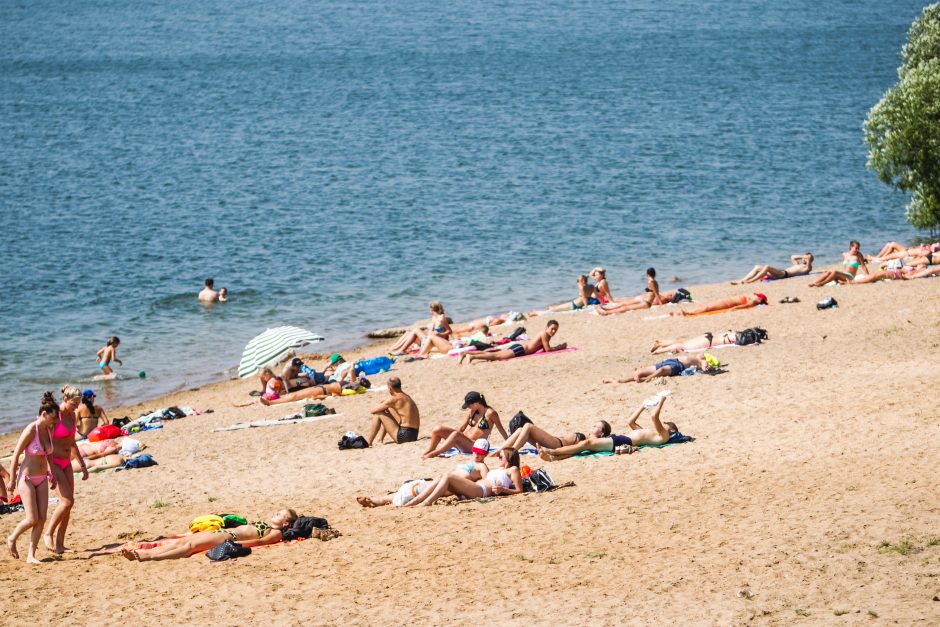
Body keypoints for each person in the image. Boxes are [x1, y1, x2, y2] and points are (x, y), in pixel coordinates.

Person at [120, 509, 298, 561]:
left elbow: (261, 541)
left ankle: (148, 556)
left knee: (189, 547)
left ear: (286, 523)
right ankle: (146, 554)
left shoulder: (275, 532)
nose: (276, 512)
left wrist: (238, 545)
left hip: (229, 538)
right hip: (223, 532)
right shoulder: (266, 523)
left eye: (281, 514)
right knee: (184, 541)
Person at [357, 439, 492, 508]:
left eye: (480, 453)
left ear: (485, 454)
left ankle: (387, 502)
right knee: (413, 487)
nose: (476, 454)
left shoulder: (482, 466)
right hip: (442, 482)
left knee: (418, 490)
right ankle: (377, 500)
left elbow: (486, 483)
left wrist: (467, 488)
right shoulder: (471, 460)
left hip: (449, 487)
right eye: (475, 450)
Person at [539, 395, 679, 460]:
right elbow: (630, 421)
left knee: (587, 444)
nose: (663, 424)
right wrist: (643, 406)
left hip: (623, 441)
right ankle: (554, 457)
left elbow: (654, 417)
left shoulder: (663, 436)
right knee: (586, 447)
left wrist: (662, 400)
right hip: (620, 438)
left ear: (671, 430)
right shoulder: (650, 433)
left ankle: (554, 452)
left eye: (666, 424)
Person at [6, 393, 58, 563]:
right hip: (26, 479)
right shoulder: (31, 430)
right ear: (44, 414)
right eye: (52, 418)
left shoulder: (49, 430)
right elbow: (16, 456)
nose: (55, 422)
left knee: (42, 518)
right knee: (32, 518)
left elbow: (49, 455)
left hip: (42, 478)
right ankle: (12, 538)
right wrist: (12, 480)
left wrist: (54, 474)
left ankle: (31, 555)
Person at [45, 386, 88, 555]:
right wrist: (50, 471)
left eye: (78, 403)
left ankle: (60, 545)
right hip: (54, 462)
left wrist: (82, 465)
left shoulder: (71, 415)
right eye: (73, 403)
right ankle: (48, 533)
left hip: (66, 463)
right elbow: (45, 443)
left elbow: (72, 443)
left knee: (69, 504)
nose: (76, 407)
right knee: (66, 501)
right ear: (65, 399)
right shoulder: (55, 417)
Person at [405, 448, 524, 507]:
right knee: (442, 476)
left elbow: (519, 491)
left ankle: (426, 502)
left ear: (508, 458)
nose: (498, 458)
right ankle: (416, 501)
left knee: (447, 475)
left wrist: (503, 490)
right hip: (477, 487)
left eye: (500, 457)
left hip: (481, 491)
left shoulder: (513, 470)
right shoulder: (498, 470)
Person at [421, 392, 508, 459]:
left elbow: (500, 429)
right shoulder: (472, 411)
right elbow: (462, 427)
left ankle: (435, 453)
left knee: (456, 434)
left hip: (474, 445)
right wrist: (450, 439)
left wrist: (509, 443)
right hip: (463, 441)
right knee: (438, 429)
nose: (468, 407)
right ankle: (431, 449)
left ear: (476, 403)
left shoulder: (491, 413)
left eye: (469, 405)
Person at [458, 320, 567, 365]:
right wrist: (560, 347)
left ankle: (467, 354)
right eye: (552, 328)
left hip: (519, 348)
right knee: (496, 356)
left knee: (496, 354)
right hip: (520, 350)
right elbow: (547, 350)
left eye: (555, 330)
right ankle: (472, 357)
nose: (553, 331)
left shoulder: (545, 335)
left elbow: (543, 349)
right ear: (547, 327)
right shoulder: (544, 334)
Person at [500, 414, 612, 453]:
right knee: (520, 430)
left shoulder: (594, 441)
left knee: (528, 426)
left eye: (597, 426)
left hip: (556, 444)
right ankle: (497, 452)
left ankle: (512, 451)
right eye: (594, 424)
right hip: (554, 441)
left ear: (602, 434)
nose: (593, 426)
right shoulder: (587, 438)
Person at [598, 269, 687, 315]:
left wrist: (660, 304)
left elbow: (656, 293)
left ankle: (606, 312)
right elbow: (654, 293)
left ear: (647, 274)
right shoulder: (653, 281)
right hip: (645, 301)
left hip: (646, 303)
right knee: (625, 305)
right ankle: (608, 309)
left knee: (626, 307)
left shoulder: (652, 282)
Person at [366, 377, 420, 445]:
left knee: (378, 414)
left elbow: (373, 411)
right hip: (414, 435)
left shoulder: (394, 399)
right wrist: (386, 405)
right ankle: (380, 439)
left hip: (404, 436)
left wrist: (384, 404)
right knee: (388, 408)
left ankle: (368, 442)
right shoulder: (407, 397)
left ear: (390, 388)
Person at [603, 354, 714, 383]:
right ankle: (616, 380)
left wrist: (707, 366)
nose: (702, 354)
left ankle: (646, 379)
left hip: (677, 366)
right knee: (639, 372)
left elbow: (705, 367)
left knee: (661, 371)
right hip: (670, 361)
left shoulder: (701, 361)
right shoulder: (695, 357)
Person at [529, 275, 598, 315]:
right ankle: (553, 307)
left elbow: (584, 297)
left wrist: (586, 306)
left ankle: (536, 313)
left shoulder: (582, 287)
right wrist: (602, 302)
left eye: (578, 281)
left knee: (554, 310)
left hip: (574, 305)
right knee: (556, 308)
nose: (577, 282)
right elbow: (596, 295)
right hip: (576, 303)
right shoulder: (591, 286)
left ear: (581, 281)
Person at [730, 253, 814, 284]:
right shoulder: (798, 264)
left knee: (767, 267)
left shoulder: (807, 268)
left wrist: (808, 257)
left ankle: (751, 281)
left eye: (807, 258)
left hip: (784, 275)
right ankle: (742, 280)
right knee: (757, 267)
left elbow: (809, 261)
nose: (805, 259)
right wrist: (803, 256)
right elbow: (793, 257)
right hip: (781, 272)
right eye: (804, 257)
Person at [669, 293, 767, 317]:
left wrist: (734, 308)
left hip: (728, 304)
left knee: (707, 308)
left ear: (759, 299)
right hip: (726, 301)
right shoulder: (753, 300)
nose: (754, 295)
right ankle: (679, 313)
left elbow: (745, 306)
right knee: (705, 306)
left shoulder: (754, 302)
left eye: (756, 295)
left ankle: (688, 313)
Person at [650, 331, 748, 354]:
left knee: (684, 342)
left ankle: (661, 343)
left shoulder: (734, 332)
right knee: (684, 345)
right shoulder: (738, 338)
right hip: (709, 341)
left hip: (709, 336)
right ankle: (659, 350)